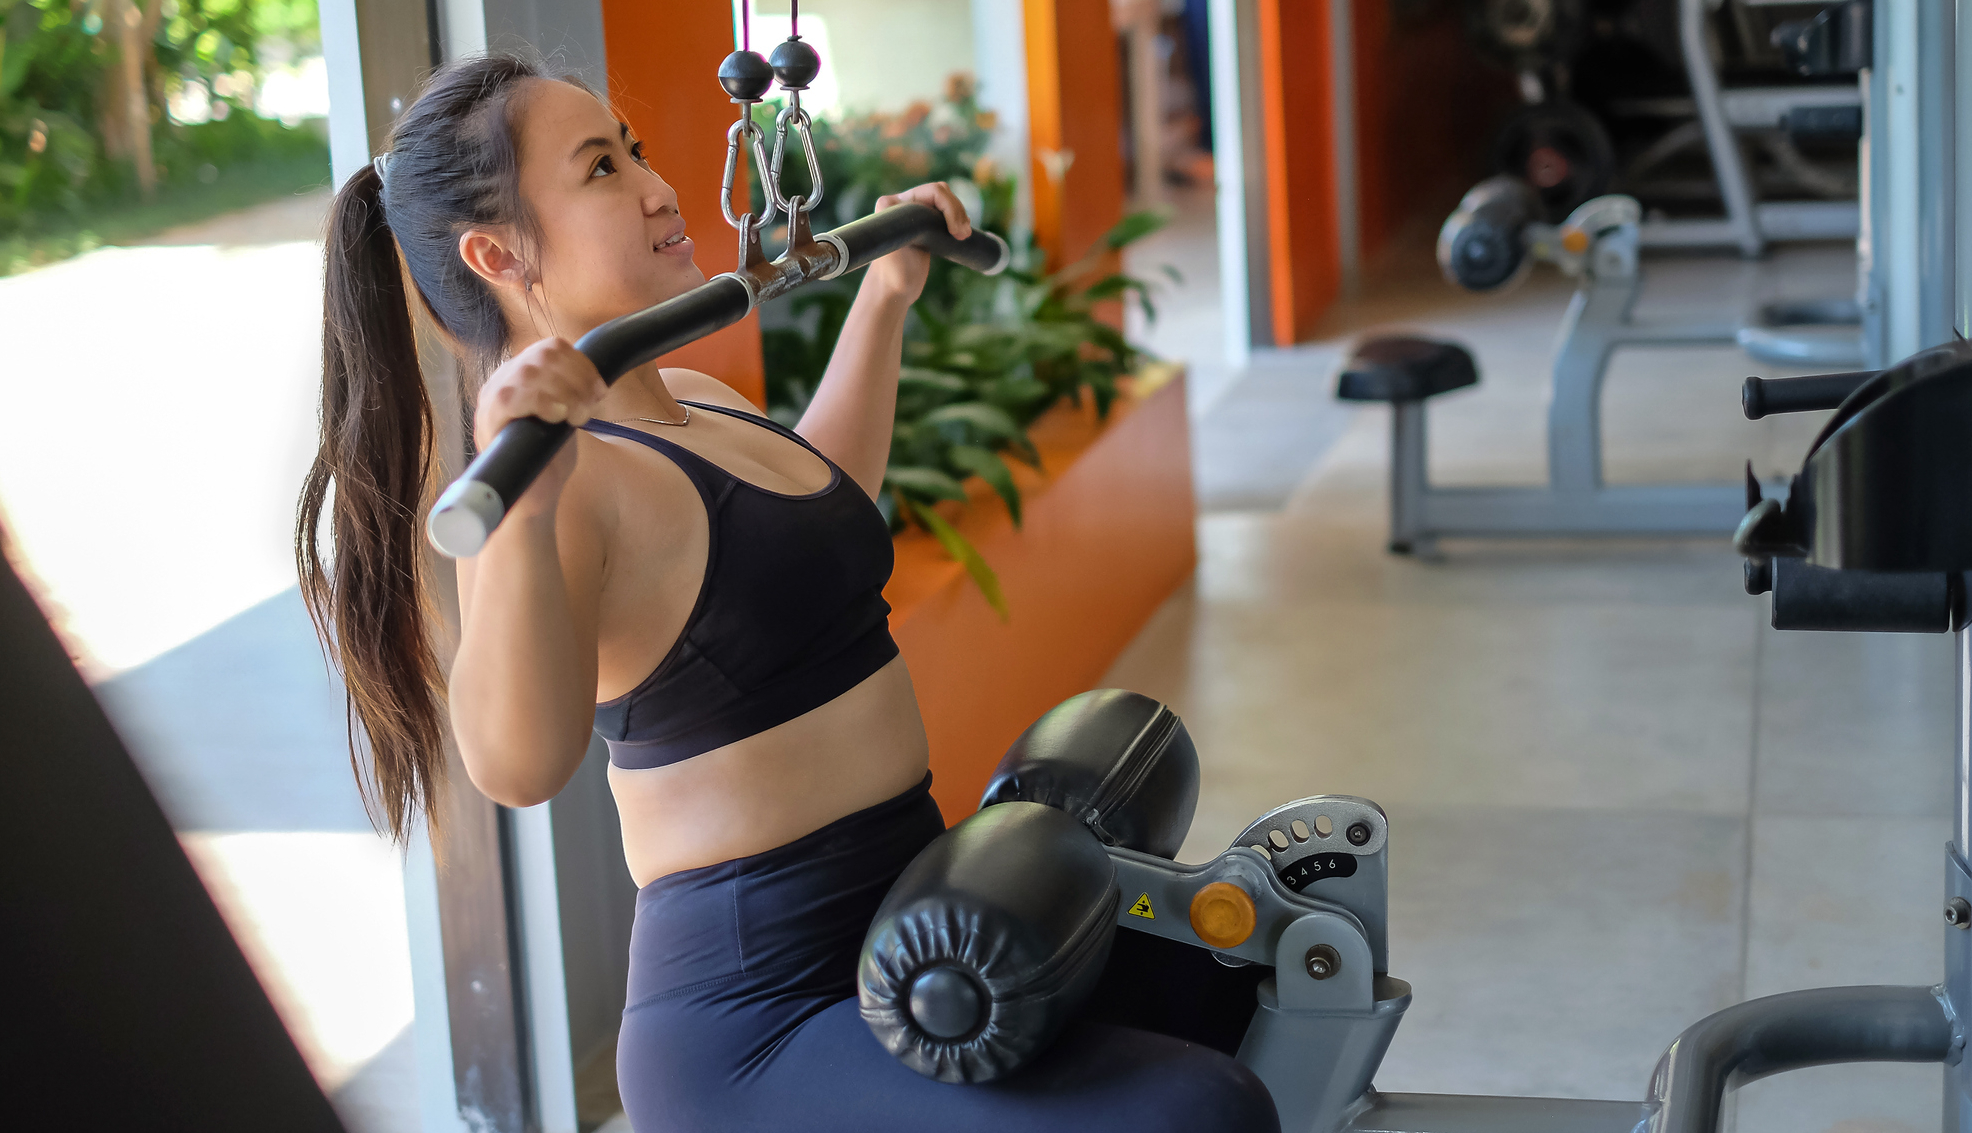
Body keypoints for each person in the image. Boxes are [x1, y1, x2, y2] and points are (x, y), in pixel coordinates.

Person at [297, 52, 1277, 1133]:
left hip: (907, 913)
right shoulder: (551, 488)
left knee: (1240, 990)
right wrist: (523, 499)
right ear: (497, 252)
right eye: (599, 170)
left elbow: (817, 519)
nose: (659, 186)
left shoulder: (695, 400)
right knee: (1199, 1110)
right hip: (756, 1015)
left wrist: (887, 291)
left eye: (635, 149)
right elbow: (515, 765)